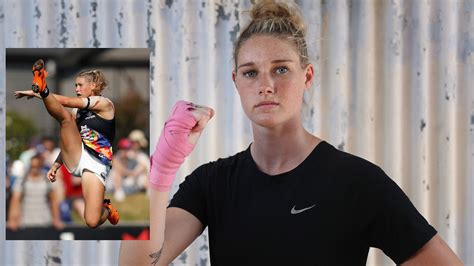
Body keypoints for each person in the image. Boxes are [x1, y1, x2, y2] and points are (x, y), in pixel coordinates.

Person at [120, 1, 462, 265]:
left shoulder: (358, 183)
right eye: (251, 72)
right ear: (235, 81)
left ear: (307, 76)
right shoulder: (212, 184)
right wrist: (161, 171)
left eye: (281, 69)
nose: (266, 85)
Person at [14, 61, 119, 228]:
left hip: (98, 162)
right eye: (75, 85)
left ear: (93, 86)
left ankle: (106, 208)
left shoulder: (104, 103)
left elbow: (66, 101)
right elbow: (69, 140)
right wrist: (55, 166)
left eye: (80, 85)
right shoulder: (77, 113)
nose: (76, 89)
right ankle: (42, 85)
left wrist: (38, 93)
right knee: (66, 119)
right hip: (78, 155)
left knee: (92, 221)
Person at [7, 154, 64, 231]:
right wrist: (12, 219)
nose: (35, 169)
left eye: (37, 167)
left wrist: (56, 219)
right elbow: (15, 200)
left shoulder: (47, 181)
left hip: (45, 223)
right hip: (25, 224)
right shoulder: (21, 181)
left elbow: (53, 200)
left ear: (41, 166)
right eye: (33, 167)